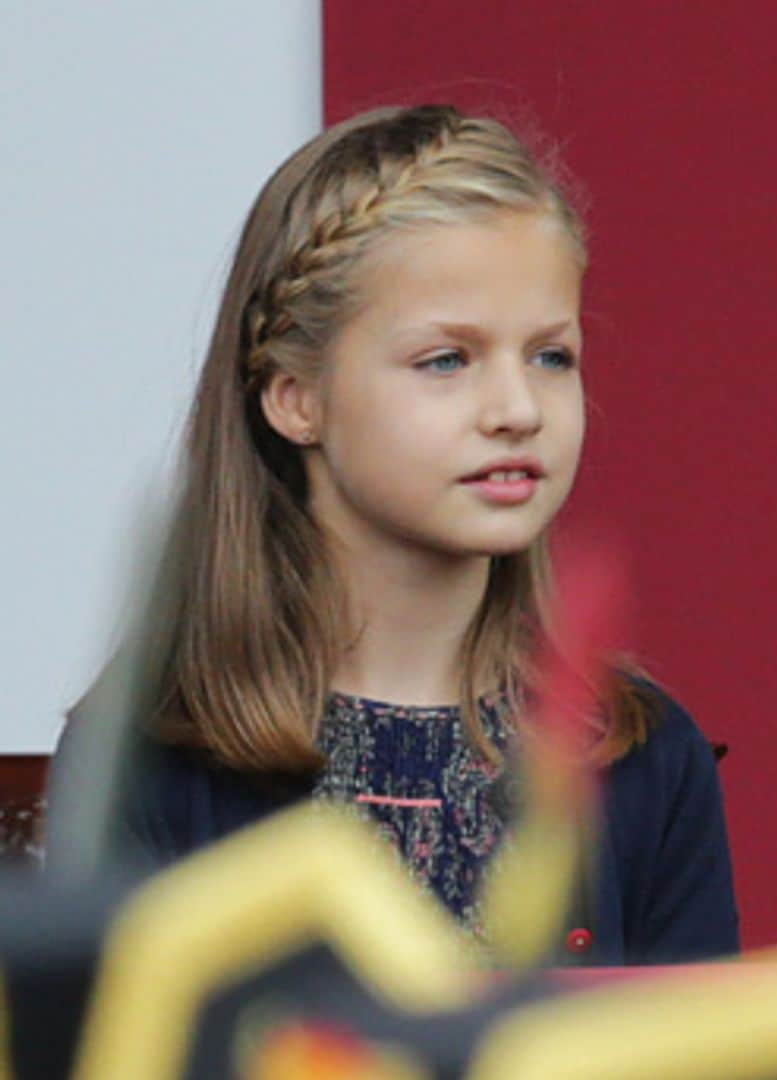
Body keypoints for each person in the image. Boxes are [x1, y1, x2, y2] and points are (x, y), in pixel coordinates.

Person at [50, 105, 738, 965]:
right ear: (295, 397)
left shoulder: (646, 760)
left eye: (550, 356)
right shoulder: (151, 758)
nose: (519, 409)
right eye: (446, 360)